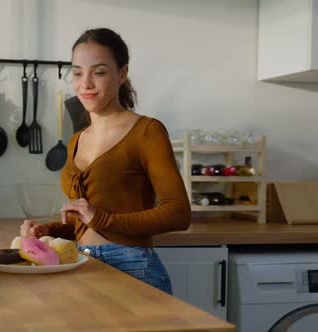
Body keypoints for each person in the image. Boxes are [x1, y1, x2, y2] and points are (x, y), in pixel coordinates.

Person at [20, 28, 191, 294]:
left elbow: (179, 213)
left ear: (122, 74)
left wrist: (100, 219)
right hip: (78, 262)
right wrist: (49, 229)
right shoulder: (76, 140)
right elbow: (87, 219)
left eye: (98, 72)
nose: (85, 84)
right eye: (77, 72)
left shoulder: (147, 131)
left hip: (133, 268)